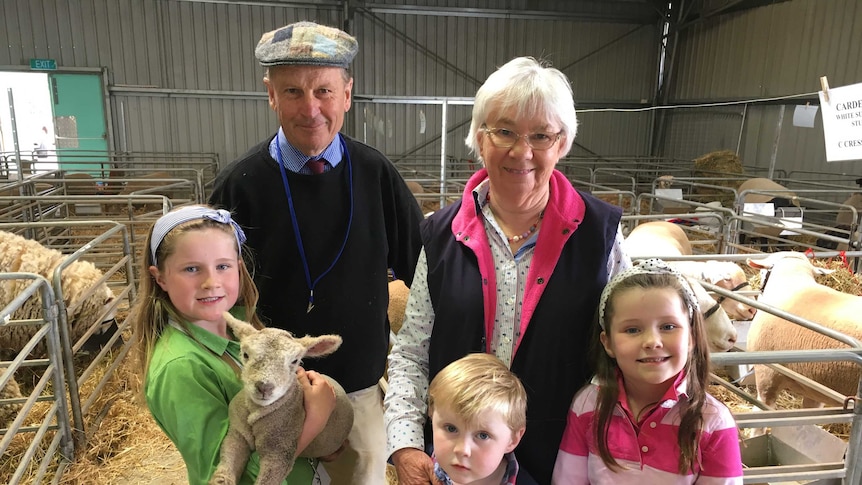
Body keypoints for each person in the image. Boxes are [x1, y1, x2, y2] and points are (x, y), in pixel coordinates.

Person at [384, 56, 632, 485]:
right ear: (480, 139)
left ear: (563, 143)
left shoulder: (600, 234)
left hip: (566, 459)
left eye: (541, 135)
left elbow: (628, 349)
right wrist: (405, 443)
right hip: (459, 463)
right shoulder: (441, 235)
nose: (523, 151)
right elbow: (411, 351)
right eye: (504, 131)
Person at [208, 21, 424, 484]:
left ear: (347, 93)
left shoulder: (375, 174)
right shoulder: (240, 184)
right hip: (268, 392)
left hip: (360, 386)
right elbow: (210, 289)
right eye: (292, 92)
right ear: (270, 94)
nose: (311, 109)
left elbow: (423, 269)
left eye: (324, 91)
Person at [130, 205, 338, 485]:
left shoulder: (244, 330)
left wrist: (322, 440)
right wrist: (314, 423)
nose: (211, 282)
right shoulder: (180, 368)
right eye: (192, 268)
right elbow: (233, 475)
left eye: (223, 266)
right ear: (161, 278)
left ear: (238, 268)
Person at [553, 259, 743, 484]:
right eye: (632, 329)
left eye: (668, 327)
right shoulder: (587, 405)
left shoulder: (714, 422)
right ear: (608, 343)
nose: (652, 341)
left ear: (691, 336)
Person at [428, 353, 527, 485]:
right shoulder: (419, 466)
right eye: (451, 428)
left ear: (512, 439)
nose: (462, 450)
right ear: (431, 414)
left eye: (483, 435)